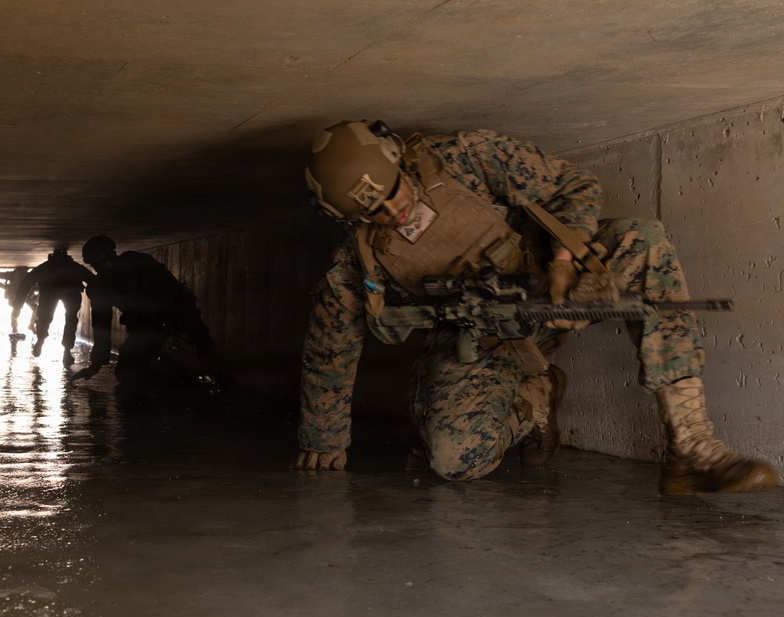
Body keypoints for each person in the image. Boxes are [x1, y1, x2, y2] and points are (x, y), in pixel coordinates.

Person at [294, 119, 778, 495]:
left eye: (393, 192)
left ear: (397, 157)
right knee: (453, 460)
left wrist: (565, 260)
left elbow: (574, 185)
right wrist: (323, 438)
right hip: (474, 343)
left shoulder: (461, 158)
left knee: (643, 241)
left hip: (549, 288)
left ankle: (692, 447)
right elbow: (330, 345)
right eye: (372, 210)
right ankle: (536, 401)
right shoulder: (356, 258)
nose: (392, 212)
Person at [70, 235, 222, 384]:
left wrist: (195, 336)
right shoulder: (99, 288)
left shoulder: (138, 262)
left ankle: (215, 369)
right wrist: (95, 365)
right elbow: (101, 325)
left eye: (104, 262)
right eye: (97, 265)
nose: (103, 268)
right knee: (125, 373)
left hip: (175, 310)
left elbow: (174, 290)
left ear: (113, 254)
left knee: (202, 343)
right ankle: (169, 373)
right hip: (146, 325)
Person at [11, 249, 94, 365]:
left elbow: (25, 283)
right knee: (70, 319)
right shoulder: (74, 266)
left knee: (44, 318)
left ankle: (40, 339)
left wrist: (17, 307)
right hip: (70, 293)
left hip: (49, 293)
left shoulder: (45, 267)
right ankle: (66, 350)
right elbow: (93, 280)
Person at [0, 267, 37, 336]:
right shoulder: (10, 275)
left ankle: (30, 325)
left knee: (35, 309)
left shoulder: (30, 276)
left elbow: (39, 286)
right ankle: (15, 329)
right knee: (16, 311)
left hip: (26, 295)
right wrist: (4, 287)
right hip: (15, 295)